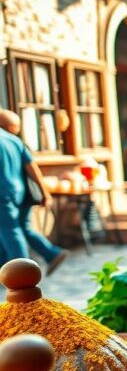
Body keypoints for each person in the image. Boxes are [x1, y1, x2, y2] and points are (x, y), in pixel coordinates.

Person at [0, 110, 67, 274]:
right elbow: (32, 167)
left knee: (10, 231)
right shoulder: (14, 140)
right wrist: (45, 192)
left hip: (3, 193)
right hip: (21, 193)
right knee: (23, 228)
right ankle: (52, 253)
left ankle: (23, 274)